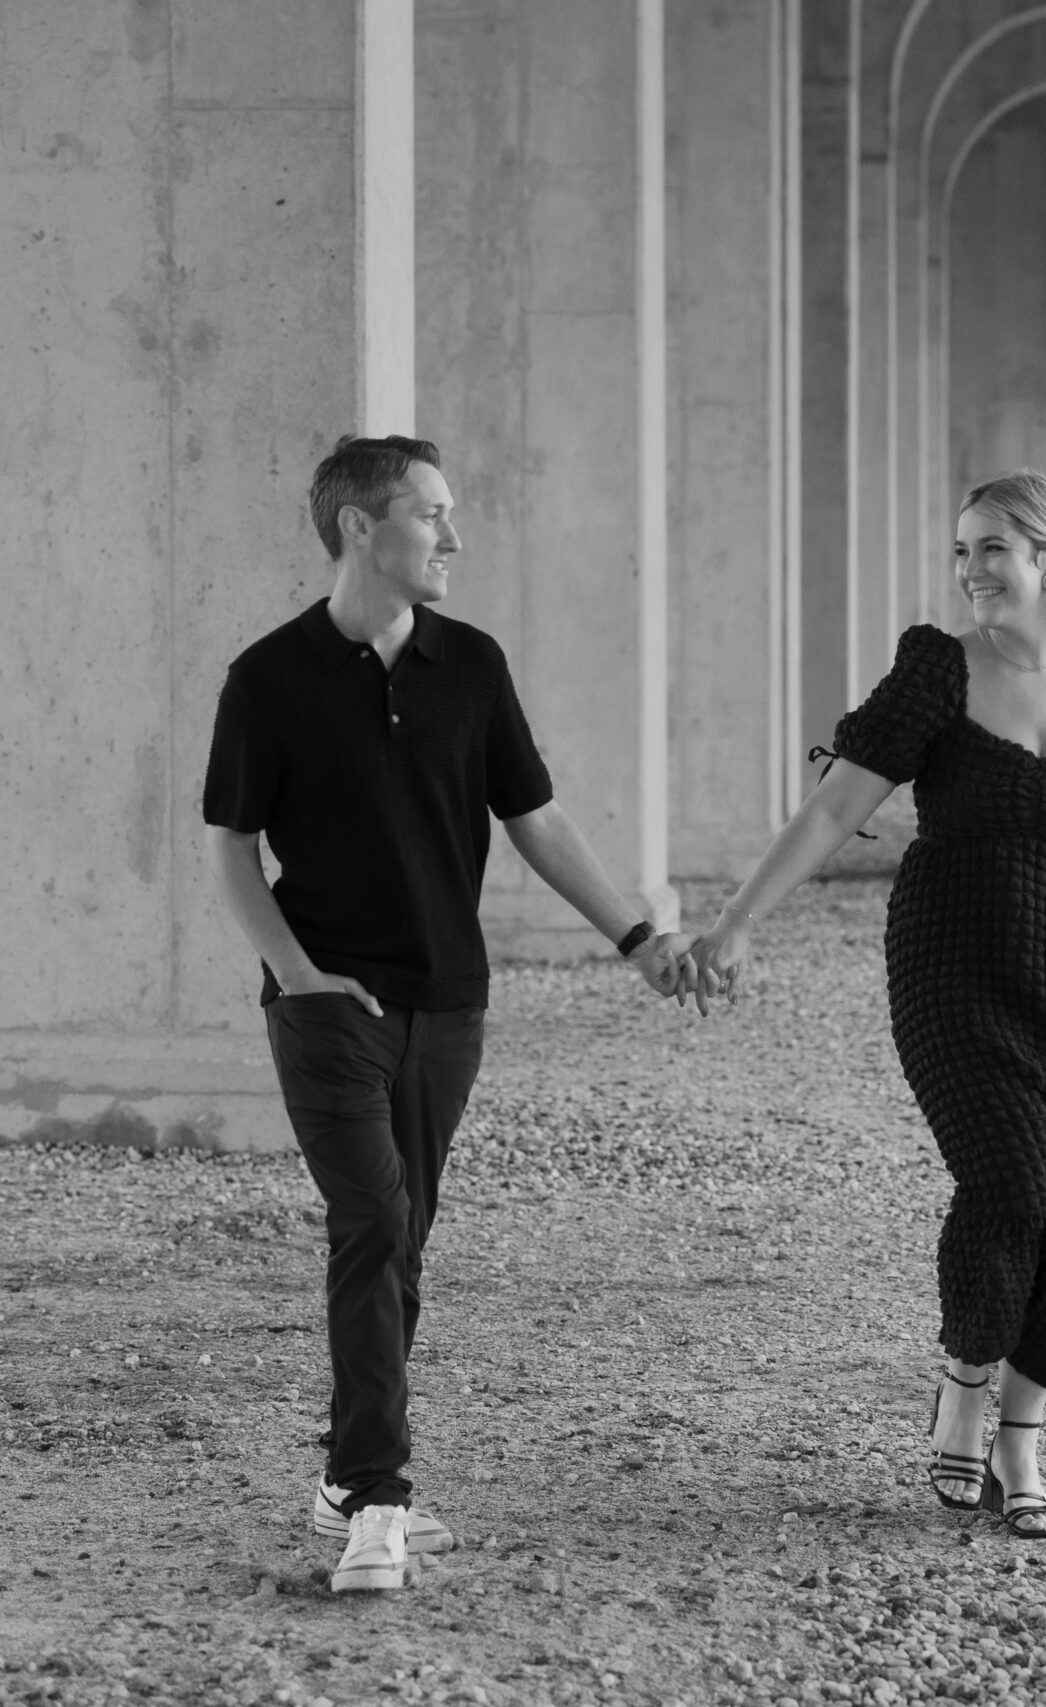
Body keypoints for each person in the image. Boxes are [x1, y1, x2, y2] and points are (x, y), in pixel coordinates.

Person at [201, 434, 694, 1593]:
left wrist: (637, 937)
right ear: (361, 527)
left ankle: (339, 1477)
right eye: (432, 514)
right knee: (372, 1219)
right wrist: (303, 977)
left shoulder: (471, 665)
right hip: (331, 1005)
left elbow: (537, 820)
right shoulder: (264, 679)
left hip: (449, 1003)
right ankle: (378, 1498)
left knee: (400, 1235)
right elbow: (230, 847)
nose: (454, 536)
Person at [688, 469, 1046, 1539]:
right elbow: (838, 804)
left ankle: (1019, 1432)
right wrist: (737, 920)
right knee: (1019, 1177)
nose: (970, 571)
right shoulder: (935, 669)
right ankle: (966, 1378)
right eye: (960, 552)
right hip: (951, 958)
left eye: (991, 551)